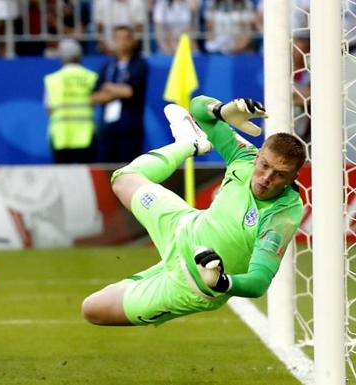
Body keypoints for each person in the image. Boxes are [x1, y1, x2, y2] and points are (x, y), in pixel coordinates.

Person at [82, 95, 306, 326]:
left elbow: (258, 282)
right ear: (258, 157)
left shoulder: (282, 214)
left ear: (293, 178)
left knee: (93, 309)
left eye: (280, 174)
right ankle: (190, 144)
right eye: (265, 165)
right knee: (123, 179)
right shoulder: (244, 157)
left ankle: (151, 282)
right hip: (181, 226)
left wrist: (221, 282)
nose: (267, 178)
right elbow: (198, 108)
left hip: (191, 282)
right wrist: (221, 110)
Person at [91, 26, 148, 163]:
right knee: (106, 173)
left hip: (129, 130)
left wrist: (108, 87)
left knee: (129, 171)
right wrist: (117, 91)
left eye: (125, 38)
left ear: (132, 41)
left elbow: (129, 91)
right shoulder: (107, 66)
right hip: (107, 130)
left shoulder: (139, 64)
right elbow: (93, 97)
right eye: (117, 38)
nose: (121, 42)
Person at [43, 39, 98, 164]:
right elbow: (97, 101)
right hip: (86, 134)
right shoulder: (91, 77)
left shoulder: (52, 79)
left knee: (63, 178)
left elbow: (48, 108)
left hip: (61, 136)